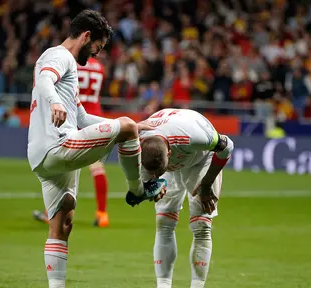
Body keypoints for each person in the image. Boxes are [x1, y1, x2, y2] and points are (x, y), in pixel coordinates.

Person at [27, 10, 166, 288]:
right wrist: (54, 102)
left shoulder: (69, 68)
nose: (97, 54)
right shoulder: (60, 56)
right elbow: (44, 79)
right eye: (97, 47)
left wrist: (137, 125)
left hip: (43, 156)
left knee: (62, 223)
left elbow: (81, 118)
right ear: (87, 36)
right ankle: (138, 190)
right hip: (59, 144)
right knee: (125, 128)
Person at [126, 108, 234, 288]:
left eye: (156, 174)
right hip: (163, 154)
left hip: (200, 159)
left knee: (201, 226)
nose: (153, 177)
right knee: (164, 222)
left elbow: (227, 146)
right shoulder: (134, 142)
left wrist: (206, 185)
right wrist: (143, 190)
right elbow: (137, 187)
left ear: (169, 155)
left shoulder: (195, 136)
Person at [33, 57, 110, 227]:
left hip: (75, 114)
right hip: (95, 115)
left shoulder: (71, 63)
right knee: (97, 167)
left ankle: (51, 212)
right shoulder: (99, 66)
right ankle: (102, 213)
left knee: (63, 165)